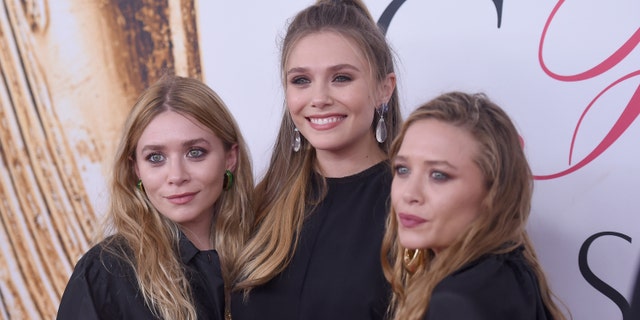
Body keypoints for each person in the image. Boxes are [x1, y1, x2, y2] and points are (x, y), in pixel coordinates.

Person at [230, 0, 401, 319]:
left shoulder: (412, 204)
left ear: (383, 89)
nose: (319, 99)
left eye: (341, 78)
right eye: (301, 80)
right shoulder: (262, 203)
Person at [57, 75, 254, 320]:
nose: (176, 176)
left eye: (195, 152)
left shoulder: (270, 252)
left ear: (230, 158)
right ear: (136, 169)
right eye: (156, 158)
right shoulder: (104, 273)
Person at [381, 92, 569, 320]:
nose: (410, 194)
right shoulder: (513, 272)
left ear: (493, 191)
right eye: (403, 170)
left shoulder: (456, 303)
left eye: (439, 175)